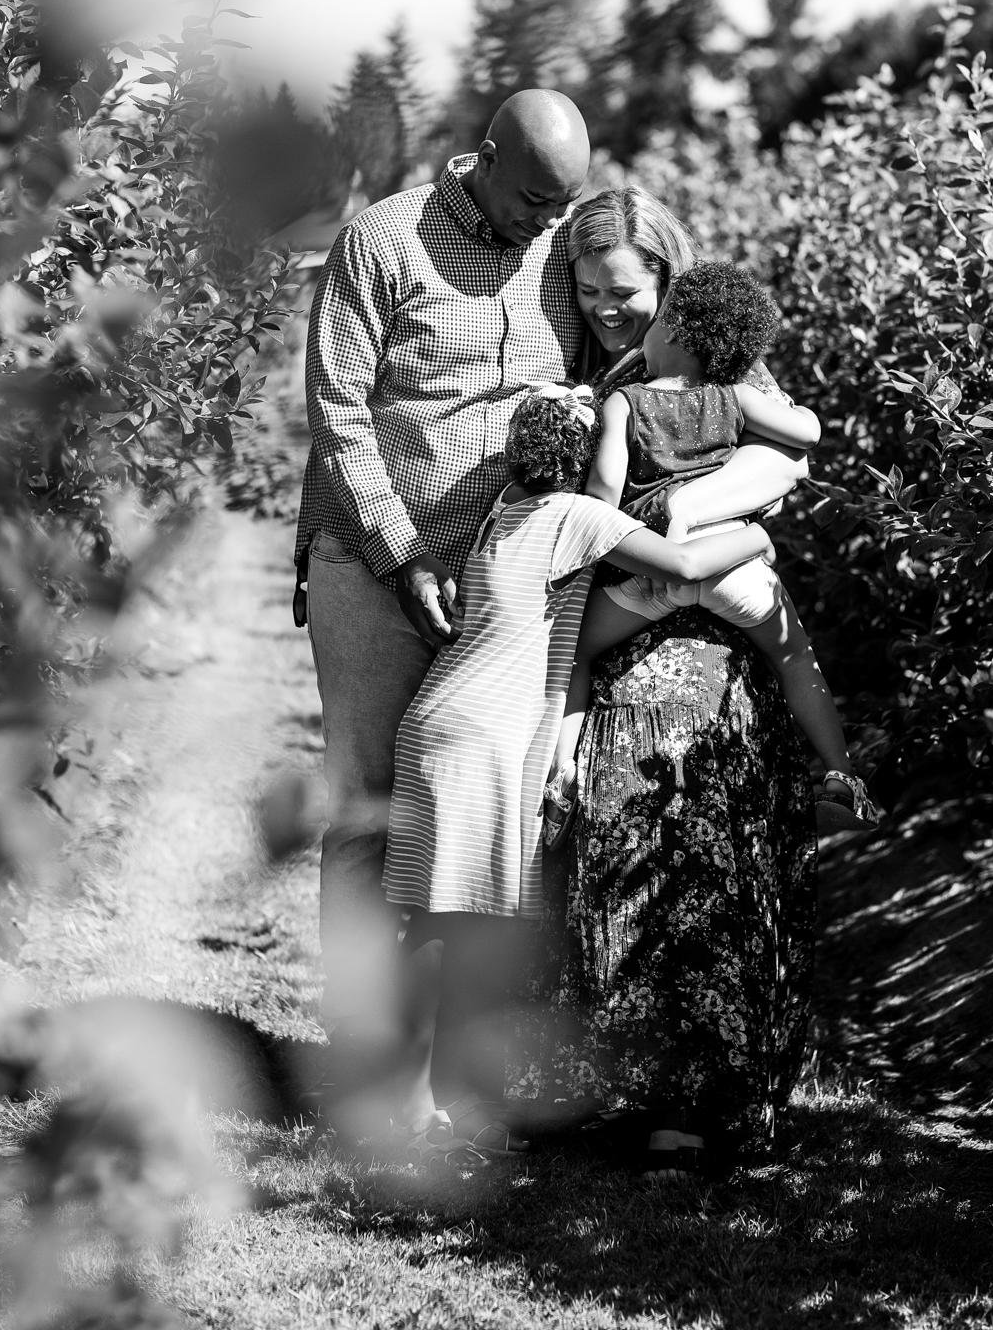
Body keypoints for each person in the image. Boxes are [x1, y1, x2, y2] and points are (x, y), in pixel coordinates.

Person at [294, 89, 590, 1139]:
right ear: (483, 159)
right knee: (370, 808)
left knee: (483, 811)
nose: (542, 225)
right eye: (530, 201)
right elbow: (334, 408)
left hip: (508, 582)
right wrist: (397, 547)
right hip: (376, 566)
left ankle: (463, 1055)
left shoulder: (562, 247)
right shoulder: (384, 241)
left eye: (562, 206)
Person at [381, 386, 776, 1165]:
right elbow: (688, 561)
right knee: (449, 927)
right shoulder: (577, 518)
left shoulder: (508, 506)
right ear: (590, 456)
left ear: (511, 454)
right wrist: (754, 534)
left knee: (444, 924)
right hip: (479, 735)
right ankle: (414, 1106)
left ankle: (436, 1099)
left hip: (449, 720)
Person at [518, 187, 819, 1176]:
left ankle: (742, 1095)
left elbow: (784, 463)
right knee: (626, 860)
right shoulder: (583, 374)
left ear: (667, 281)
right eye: (589, 290)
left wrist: (689, 524)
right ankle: (654, 1096)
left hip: (713, 639)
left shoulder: (720, 360)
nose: (608, 308)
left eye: (624, 292)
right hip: (621, 635)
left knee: (723, 862)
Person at [546, 260, 883, 846]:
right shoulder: (735, 395)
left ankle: (564, 775)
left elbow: (602, 493)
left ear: (671, 330)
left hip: (654, 569)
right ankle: (840, 775)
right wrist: (798, 421)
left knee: (570, 654)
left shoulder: (624, 402)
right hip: (735, 566)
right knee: (796, 657)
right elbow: (805, 437)